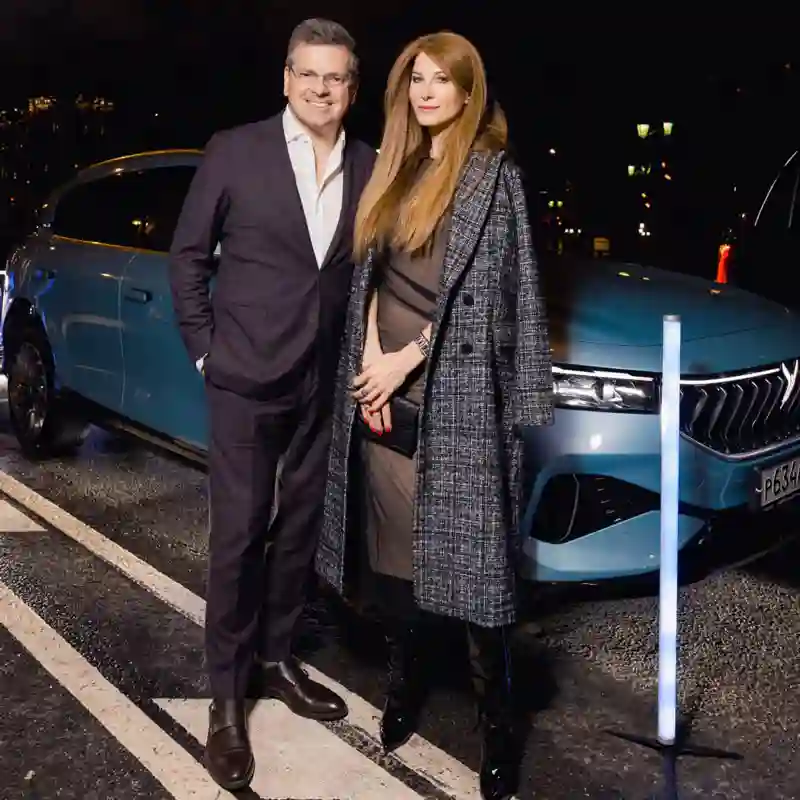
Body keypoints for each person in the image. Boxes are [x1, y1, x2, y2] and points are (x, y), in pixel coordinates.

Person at [316, 31, 554, 800]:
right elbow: (370, 277)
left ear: (467, 91)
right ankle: (404, 684)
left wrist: (405, 360)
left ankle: (498, 730)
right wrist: (367, 361)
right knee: (398, 568)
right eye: (415, 78)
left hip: (455, 398)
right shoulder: (395, 167)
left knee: (480, 586)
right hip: (380, 391)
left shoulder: (494, 178)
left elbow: (498, 304)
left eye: (440, 80)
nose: (425, 92)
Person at [168, 18, 376, 792]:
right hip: (245, 378)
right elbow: (187, 258)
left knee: (300, 532)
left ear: (352, 88)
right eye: (309, 74)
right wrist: (207, 351)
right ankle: (226, 700)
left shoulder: (369, 164)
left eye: (336, 77)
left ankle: (278, 659)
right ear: (287, 79)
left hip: (324, 378)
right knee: (238, 537)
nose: (322, 89)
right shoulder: (235, 150)